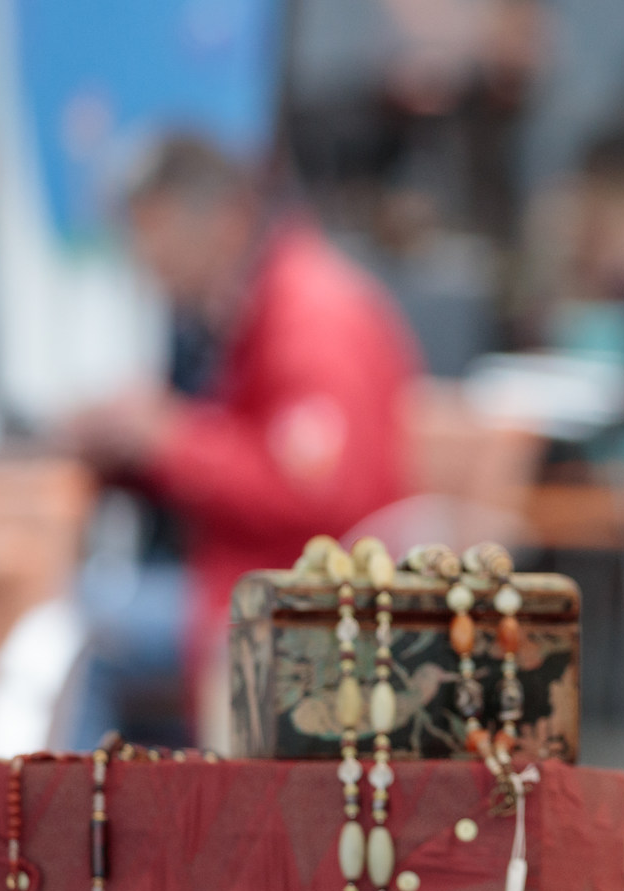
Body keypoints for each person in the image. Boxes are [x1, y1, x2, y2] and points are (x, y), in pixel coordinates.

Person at [67, 135, 419, 701]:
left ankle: (55, 791)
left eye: (155, 229)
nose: (144, 256)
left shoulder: (311, 316)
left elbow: (313, 495)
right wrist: (133, 449)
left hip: (302, 601)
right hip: (259, 579)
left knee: (66, 632)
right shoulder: (259, 304)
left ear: (228, 221)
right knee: (74, 608)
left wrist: (167, 437)